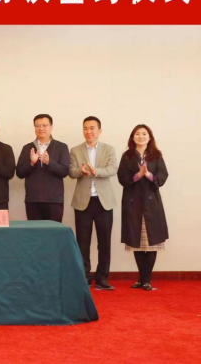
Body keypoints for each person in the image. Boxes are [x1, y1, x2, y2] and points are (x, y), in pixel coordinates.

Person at [117, 124, 169, 291]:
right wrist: (137, 175)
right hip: (133, 203)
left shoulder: (156, 156)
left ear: (149, 137)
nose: (141, 136)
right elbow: (122, 178)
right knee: (136, 242)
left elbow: (163, 176)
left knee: (152, 243)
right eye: (137, 134)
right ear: (133, 137)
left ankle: (147, 280)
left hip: (152, 204)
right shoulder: (127, 156)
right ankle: (141, 279)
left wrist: (148, 175)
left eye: (144, 134)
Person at [69, 117, 118, 290]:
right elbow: (71, 172)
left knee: (104, 242)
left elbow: (113, 169)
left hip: (104, 202)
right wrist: (80, 171)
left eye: (92, 128)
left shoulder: (109, 149)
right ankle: (84, 276)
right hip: (83, 202)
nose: (88, 131)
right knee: (82, 242)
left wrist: (95, 171)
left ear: (99, 130)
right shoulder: (75, 150)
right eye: (85, 128)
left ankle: (102, 277)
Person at [16, 114, 70, 222]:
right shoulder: (27, 148)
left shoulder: (61, 147)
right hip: (33, 200)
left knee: (54, 231)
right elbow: (19, 173)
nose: (41, 128)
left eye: (45, 125)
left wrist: (49, 162)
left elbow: (65, 171)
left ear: (51, 127)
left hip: (54, 200)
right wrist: (31, 163)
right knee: (35, 231)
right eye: (37, 126)